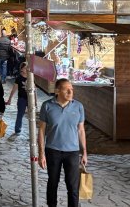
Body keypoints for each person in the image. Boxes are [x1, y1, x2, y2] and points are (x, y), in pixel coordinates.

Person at [38, 78, 88, 207]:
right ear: (57, 91)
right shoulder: (47, 106)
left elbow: (81, 130)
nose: (70, 92)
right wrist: (41, 153)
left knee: (72, 185)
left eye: (72, 89)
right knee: (53, 182)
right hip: (52, 150)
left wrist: (84, 153)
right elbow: (42, 131)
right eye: (67, 89)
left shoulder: (78, 106)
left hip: (72, 152)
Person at [6, 61, 30, 135]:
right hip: (22, 99)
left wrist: (35, 101)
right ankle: (17, 129)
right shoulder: (19, 78)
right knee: (20, 114)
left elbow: (34, 90)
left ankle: (31, 131)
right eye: (24, 68)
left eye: (26, 68)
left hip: (30, 99)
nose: (25, 70)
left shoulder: (31, 78)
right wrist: (9, 99)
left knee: (31, 116)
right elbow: (14, 90)